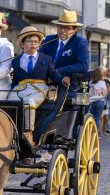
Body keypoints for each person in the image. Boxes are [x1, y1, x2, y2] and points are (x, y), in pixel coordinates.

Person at [7, 26, 69, 146]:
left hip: (39, 89)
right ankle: (10, 131)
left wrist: (63, 80)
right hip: (21, 88)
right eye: (29, 41)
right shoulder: (16, 60)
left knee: (29, 101)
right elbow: (15, 81)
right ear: (23, 44)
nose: (33, 44)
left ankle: (28, 133)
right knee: (9, 101)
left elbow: (54, 74)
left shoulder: (46, 58)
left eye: (36, 42)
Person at [39, 9, 90, 139]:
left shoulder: (80, 43)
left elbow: (83, 66)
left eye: (67, 28)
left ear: (74, 29)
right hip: (44, 84)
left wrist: (60, 70)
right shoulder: (49, 40)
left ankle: (57, 135)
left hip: (68, 87)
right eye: (60, 26)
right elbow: (40, 60)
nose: (62, 30)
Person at [88, 68, 107, 133]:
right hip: (100, 101)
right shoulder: (103, 82)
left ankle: (90, 132)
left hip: (92, 100)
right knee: (98, 118)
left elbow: (89, 93)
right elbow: (105, 93)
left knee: (92, 118)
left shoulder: (91, 82)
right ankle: (96, 133)